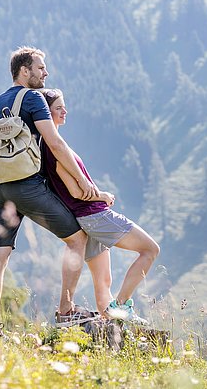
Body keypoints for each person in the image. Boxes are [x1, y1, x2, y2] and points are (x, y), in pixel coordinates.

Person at [0, 46, 98, 336]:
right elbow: (55, 143)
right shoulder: (33, 98)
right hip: (27, 186)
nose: (45, 73)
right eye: (40, 68)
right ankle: (66, 311)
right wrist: (84, 183)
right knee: (77, 239)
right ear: (25, 71)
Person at [40, 88, 160, 325]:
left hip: (86, 220)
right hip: (93, 215)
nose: (65, 110)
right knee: (150, 250)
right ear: (46, 113)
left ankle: (112, 326)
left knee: (103, 281)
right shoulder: (53, 148)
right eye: (58, 108)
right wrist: (102, 196)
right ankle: (122, 306)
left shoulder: (53, 145)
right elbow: (75, 192)